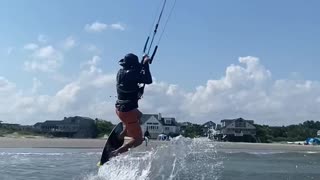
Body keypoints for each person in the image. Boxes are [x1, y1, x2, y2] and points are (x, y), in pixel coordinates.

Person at [110, 53, 152, 157]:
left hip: (119, 109)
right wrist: (146, 64)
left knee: (140, 115)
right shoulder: (132, 74)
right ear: (133, 65)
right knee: (138, 140)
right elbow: (148, 80)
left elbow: (135, 72)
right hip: (128, 112)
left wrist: (142, 62)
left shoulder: (120, 72)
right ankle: (115, 153)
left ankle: (124, 133)